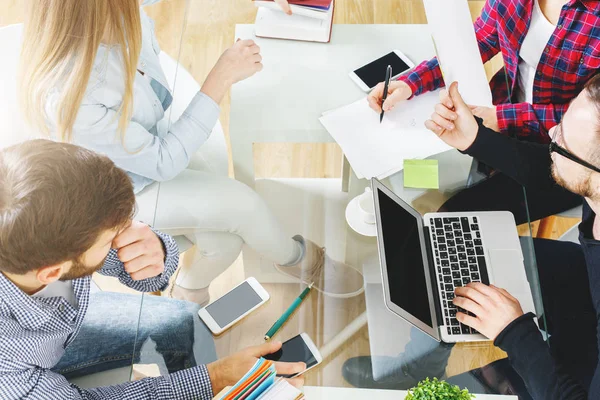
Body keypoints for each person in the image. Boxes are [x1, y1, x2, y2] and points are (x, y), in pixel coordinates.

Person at [18, 0, 364, 305]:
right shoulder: (76, 94)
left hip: (143, 149)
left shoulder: (101, 16)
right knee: (246, 207)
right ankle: (302, 261)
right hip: (117, 192)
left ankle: (188, 291)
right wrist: (221, 76)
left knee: (225, 243)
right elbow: (163, 162)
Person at [345, 77, 600, 398]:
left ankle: (495, 373)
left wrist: (514, 331)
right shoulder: (590, 180)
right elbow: (561, 173)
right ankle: (423, 365)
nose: (551, 134)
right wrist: (476, 139)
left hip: (584, 373)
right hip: (582, 281)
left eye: (563, 141)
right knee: (461, 265)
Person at [0, 139, 306, 400]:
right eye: (111, 239)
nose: (125, 234)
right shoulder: (7, 369)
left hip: (60, 331)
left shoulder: (36, 207)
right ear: (52, 272)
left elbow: (149, 275)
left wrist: (156, 250)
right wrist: (215, 378)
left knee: (186, 321)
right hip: (25, 371)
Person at [368, 0, 600, 223]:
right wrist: (411, 83)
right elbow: (481, 39)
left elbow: (587, 123)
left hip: (562, 158)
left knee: (450, 212)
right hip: (496, 115)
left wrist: (504, 118)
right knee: (422, 189)